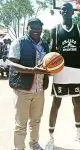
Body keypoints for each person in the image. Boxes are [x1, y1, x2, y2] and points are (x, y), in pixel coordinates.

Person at [45, 2, 80, 149]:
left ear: (72, 12)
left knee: (77, 103)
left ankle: (78, 133)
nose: (65, 11)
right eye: (63, 9)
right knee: (56, 104)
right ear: (60, 12)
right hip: (61, 72)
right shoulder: (55, 30)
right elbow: (51, 53)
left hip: (76, 71)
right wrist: (47, 75)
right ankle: (51, 138)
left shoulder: (79, 29)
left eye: (68, 9)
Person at [8, 18, 49, 150]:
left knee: (36, 121)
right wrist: (31, 70)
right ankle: (19, 147)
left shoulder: (45, 45)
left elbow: (48, 63)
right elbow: (12, 64)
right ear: (27, 28)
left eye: (39, 27)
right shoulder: (19, 42)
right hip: (22, 90)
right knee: (21, 123)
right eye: (33, 27)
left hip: (39, 90)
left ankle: (34, 143)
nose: (36, 30)